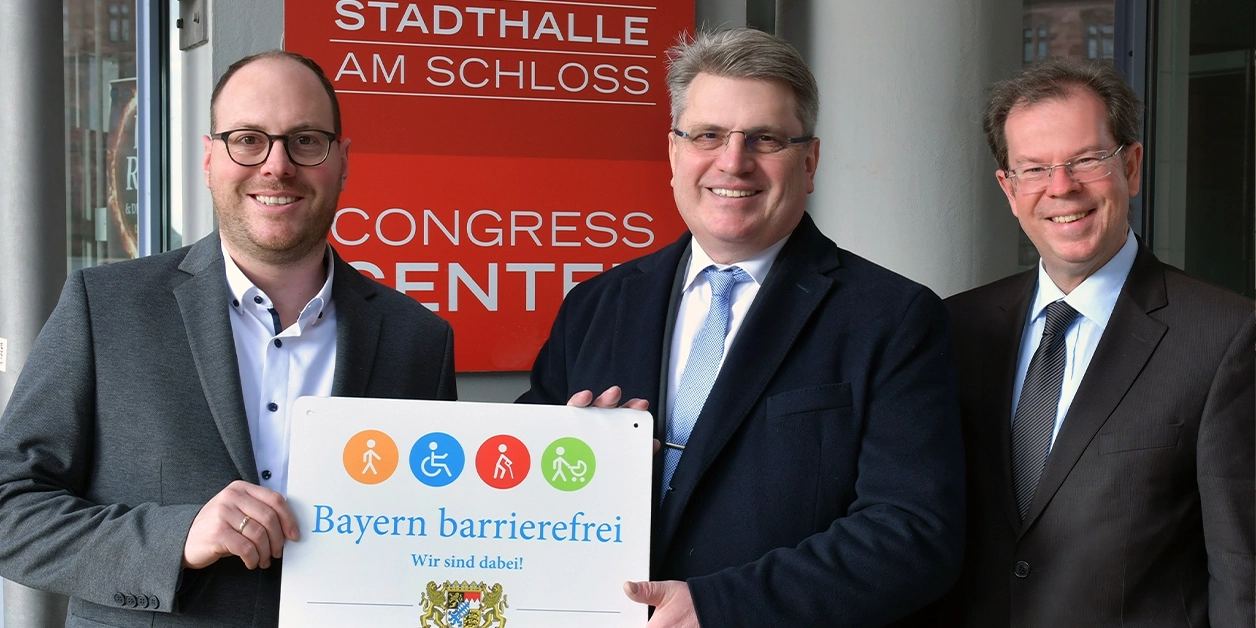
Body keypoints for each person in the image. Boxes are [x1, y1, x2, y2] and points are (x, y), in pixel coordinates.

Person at [519, 28, 964, 627]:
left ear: (808, 161)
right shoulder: (596, 305)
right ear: (674, 153)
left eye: (766, 139)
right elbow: (518, 486)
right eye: (707, 135)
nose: (733, 161)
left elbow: (914, 534)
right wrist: (564, 453)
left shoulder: (893, 318)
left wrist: (721, 607)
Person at [0, 51, 456, 627]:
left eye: (306, 141)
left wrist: (564, 465)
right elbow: (9, 506)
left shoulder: (419, 339)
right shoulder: (106, 308)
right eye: (248, 139)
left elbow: (440, 521)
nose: (277, 166)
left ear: (341, 162)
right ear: (210, 156)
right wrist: (176, 536)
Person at [940, 57, 1253, 626]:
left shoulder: (1225, 336)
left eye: (1086, 161)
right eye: (1033, 169)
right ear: (1009, 190)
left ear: (1131, 167)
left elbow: (1242, 571)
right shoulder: (956, 328)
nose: (1061, 188)